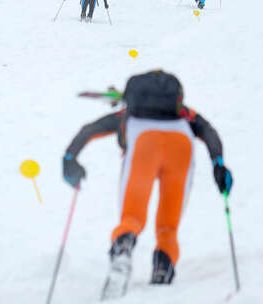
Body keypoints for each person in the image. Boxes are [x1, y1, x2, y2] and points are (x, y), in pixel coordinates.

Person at [62, 70, 233, 299]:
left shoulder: (128, 114)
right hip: (180, 146)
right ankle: (163, 266)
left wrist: (70, 159)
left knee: (131, 217)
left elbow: (89, 130)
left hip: (144, 143)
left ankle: (123, 247)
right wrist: (218, 164)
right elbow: (209, 132)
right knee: (168, 226)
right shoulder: (184, 114)